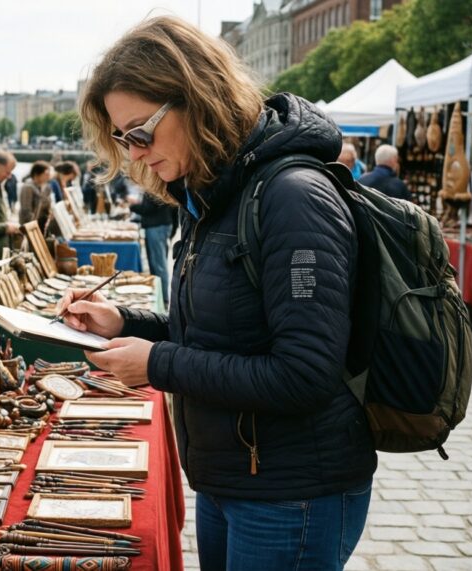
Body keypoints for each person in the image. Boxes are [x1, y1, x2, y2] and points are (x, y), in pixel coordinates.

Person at [68, 16, 376, 570]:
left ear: (197, 99)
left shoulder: (291, 197)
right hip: (233, 478)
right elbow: (215, 332)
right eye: (122, 138)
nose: (134, 153)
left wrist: (158, 363)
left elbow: (304, 374)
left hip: (290, 490)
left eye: (140, 131)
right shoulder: (215, 194)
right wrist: (126, 322)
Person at [128, 185, 175, 300]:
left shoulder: (154, 185)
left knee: (158, 264)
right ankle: (160, 296)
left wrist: (132, 206)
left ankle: (163, 298)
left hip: (157, 226)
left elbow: (148, 208)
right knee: (156, 263)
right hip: (159, 225)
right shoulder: (156, 184)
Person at [18, 161, 52, 225]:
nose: (48, 176)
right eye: (46, 174)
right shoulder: (28, 187)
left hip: (42, 223)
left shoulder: (46, 187)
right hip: (31, 226)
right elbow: (26, 211)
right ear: (36, 174)